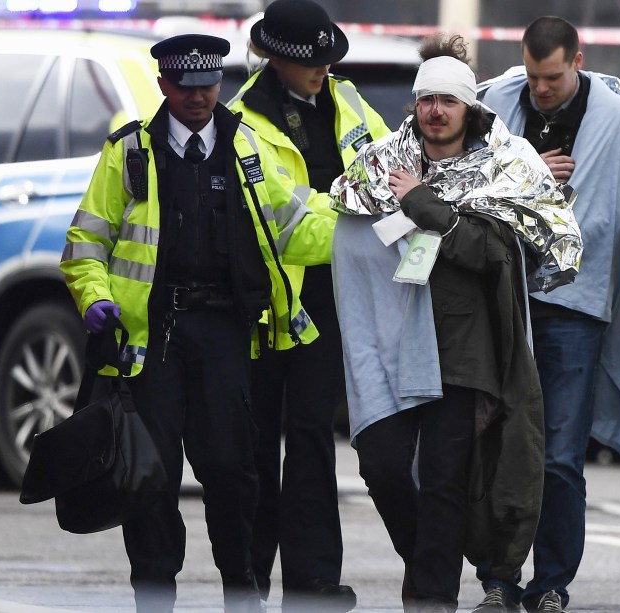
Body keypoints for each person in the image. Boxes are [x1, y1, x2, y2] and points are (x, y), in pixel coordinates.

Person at [60, 33, 332, 613]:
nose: (198, 98)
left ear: (220, 84)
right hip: (151, 338)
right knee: (149, 475)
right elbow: (86, 242)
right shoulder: (129, 152)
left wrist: (368, 222)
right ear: (164, 86)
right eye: (185, 87)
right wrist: (93, 299)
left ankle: (242, 592)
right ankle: (154, 595)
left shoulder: (248, 149)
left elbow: (298, 227)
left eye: (208, 86)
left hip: (226, 333)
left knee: (233, 469)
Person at [329, 33, 581, 613]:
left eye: (447, 100)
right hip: (393, 344)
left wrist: (423, 204)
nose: (435, 111)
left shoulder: (506, 163)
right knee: (384, 465)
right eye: (425, 100)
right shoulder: (385, 161)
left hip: (464, 347)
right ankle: (425, 564)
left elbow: (491, 254)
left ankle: (433, 596)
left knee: (445, 479)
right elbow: (347, 226)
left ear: (468, 105)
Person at [477, 16, 620, 612]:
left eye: (552, 76)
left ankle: (551, 582)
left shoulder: (616, 118)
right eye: (532, 75)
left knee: (559, 455)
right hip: (502, 297)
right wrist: (524, 173)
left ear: (578, 60)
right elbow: (459, 183)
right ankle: (498, 579)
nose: (541, 89)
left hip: (575, 306)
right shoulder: (497, 104)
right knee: (497, 444)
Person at [226, 0, 391, 609]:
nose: (322, 70)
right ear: (273, 58)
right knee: (258, 440)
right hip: (268, 304)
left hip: (329, 300)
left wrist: (372, 204)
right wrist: (354, 212)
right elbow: (286, 228)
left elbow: (391, 168)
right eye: (309, 62)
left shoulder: (346, 101)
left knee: (313, 433)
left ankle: (314, 577)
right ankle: (249, 576)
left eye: (327, 59)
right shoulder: (241, 121)